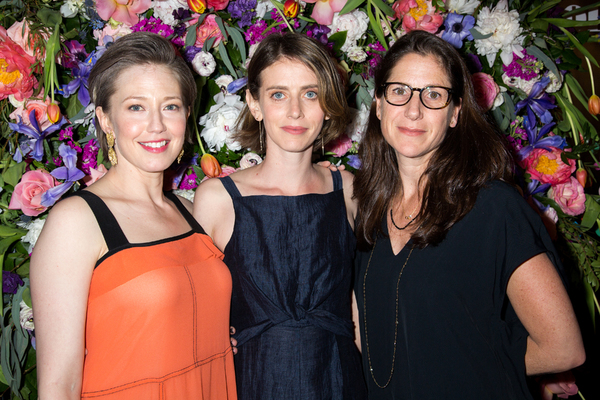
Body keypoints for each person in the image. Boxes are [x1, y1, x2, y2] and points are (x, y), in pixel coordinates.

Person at [353, 30, 585, 399]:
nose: (413, 110)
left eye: (433, 95)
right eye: (399, 91)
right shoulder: (366, 212)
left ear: (455, 113)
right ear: (379, 104)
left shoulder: (494, 209)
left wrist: (467, 362)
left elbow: (563, 346)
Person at [30, 32, 237, 399]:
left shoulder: (191, 212)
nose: (156, 126)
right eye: (136, 107)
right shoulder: (76, 223)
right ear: (106, 120)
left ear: (187, 116)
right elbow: (59, 385)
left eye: (170, 106)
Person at [193, 33, 367, 399]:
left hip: (339, 378)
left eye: (310, 93)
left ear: (328, 104)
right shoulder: (217, 199)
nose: (295, 112)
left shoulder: (349, 190)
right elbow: (194, 310)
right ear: (254, 104)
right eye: (278, 95)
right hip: (254, 379)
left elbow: (360, 305)